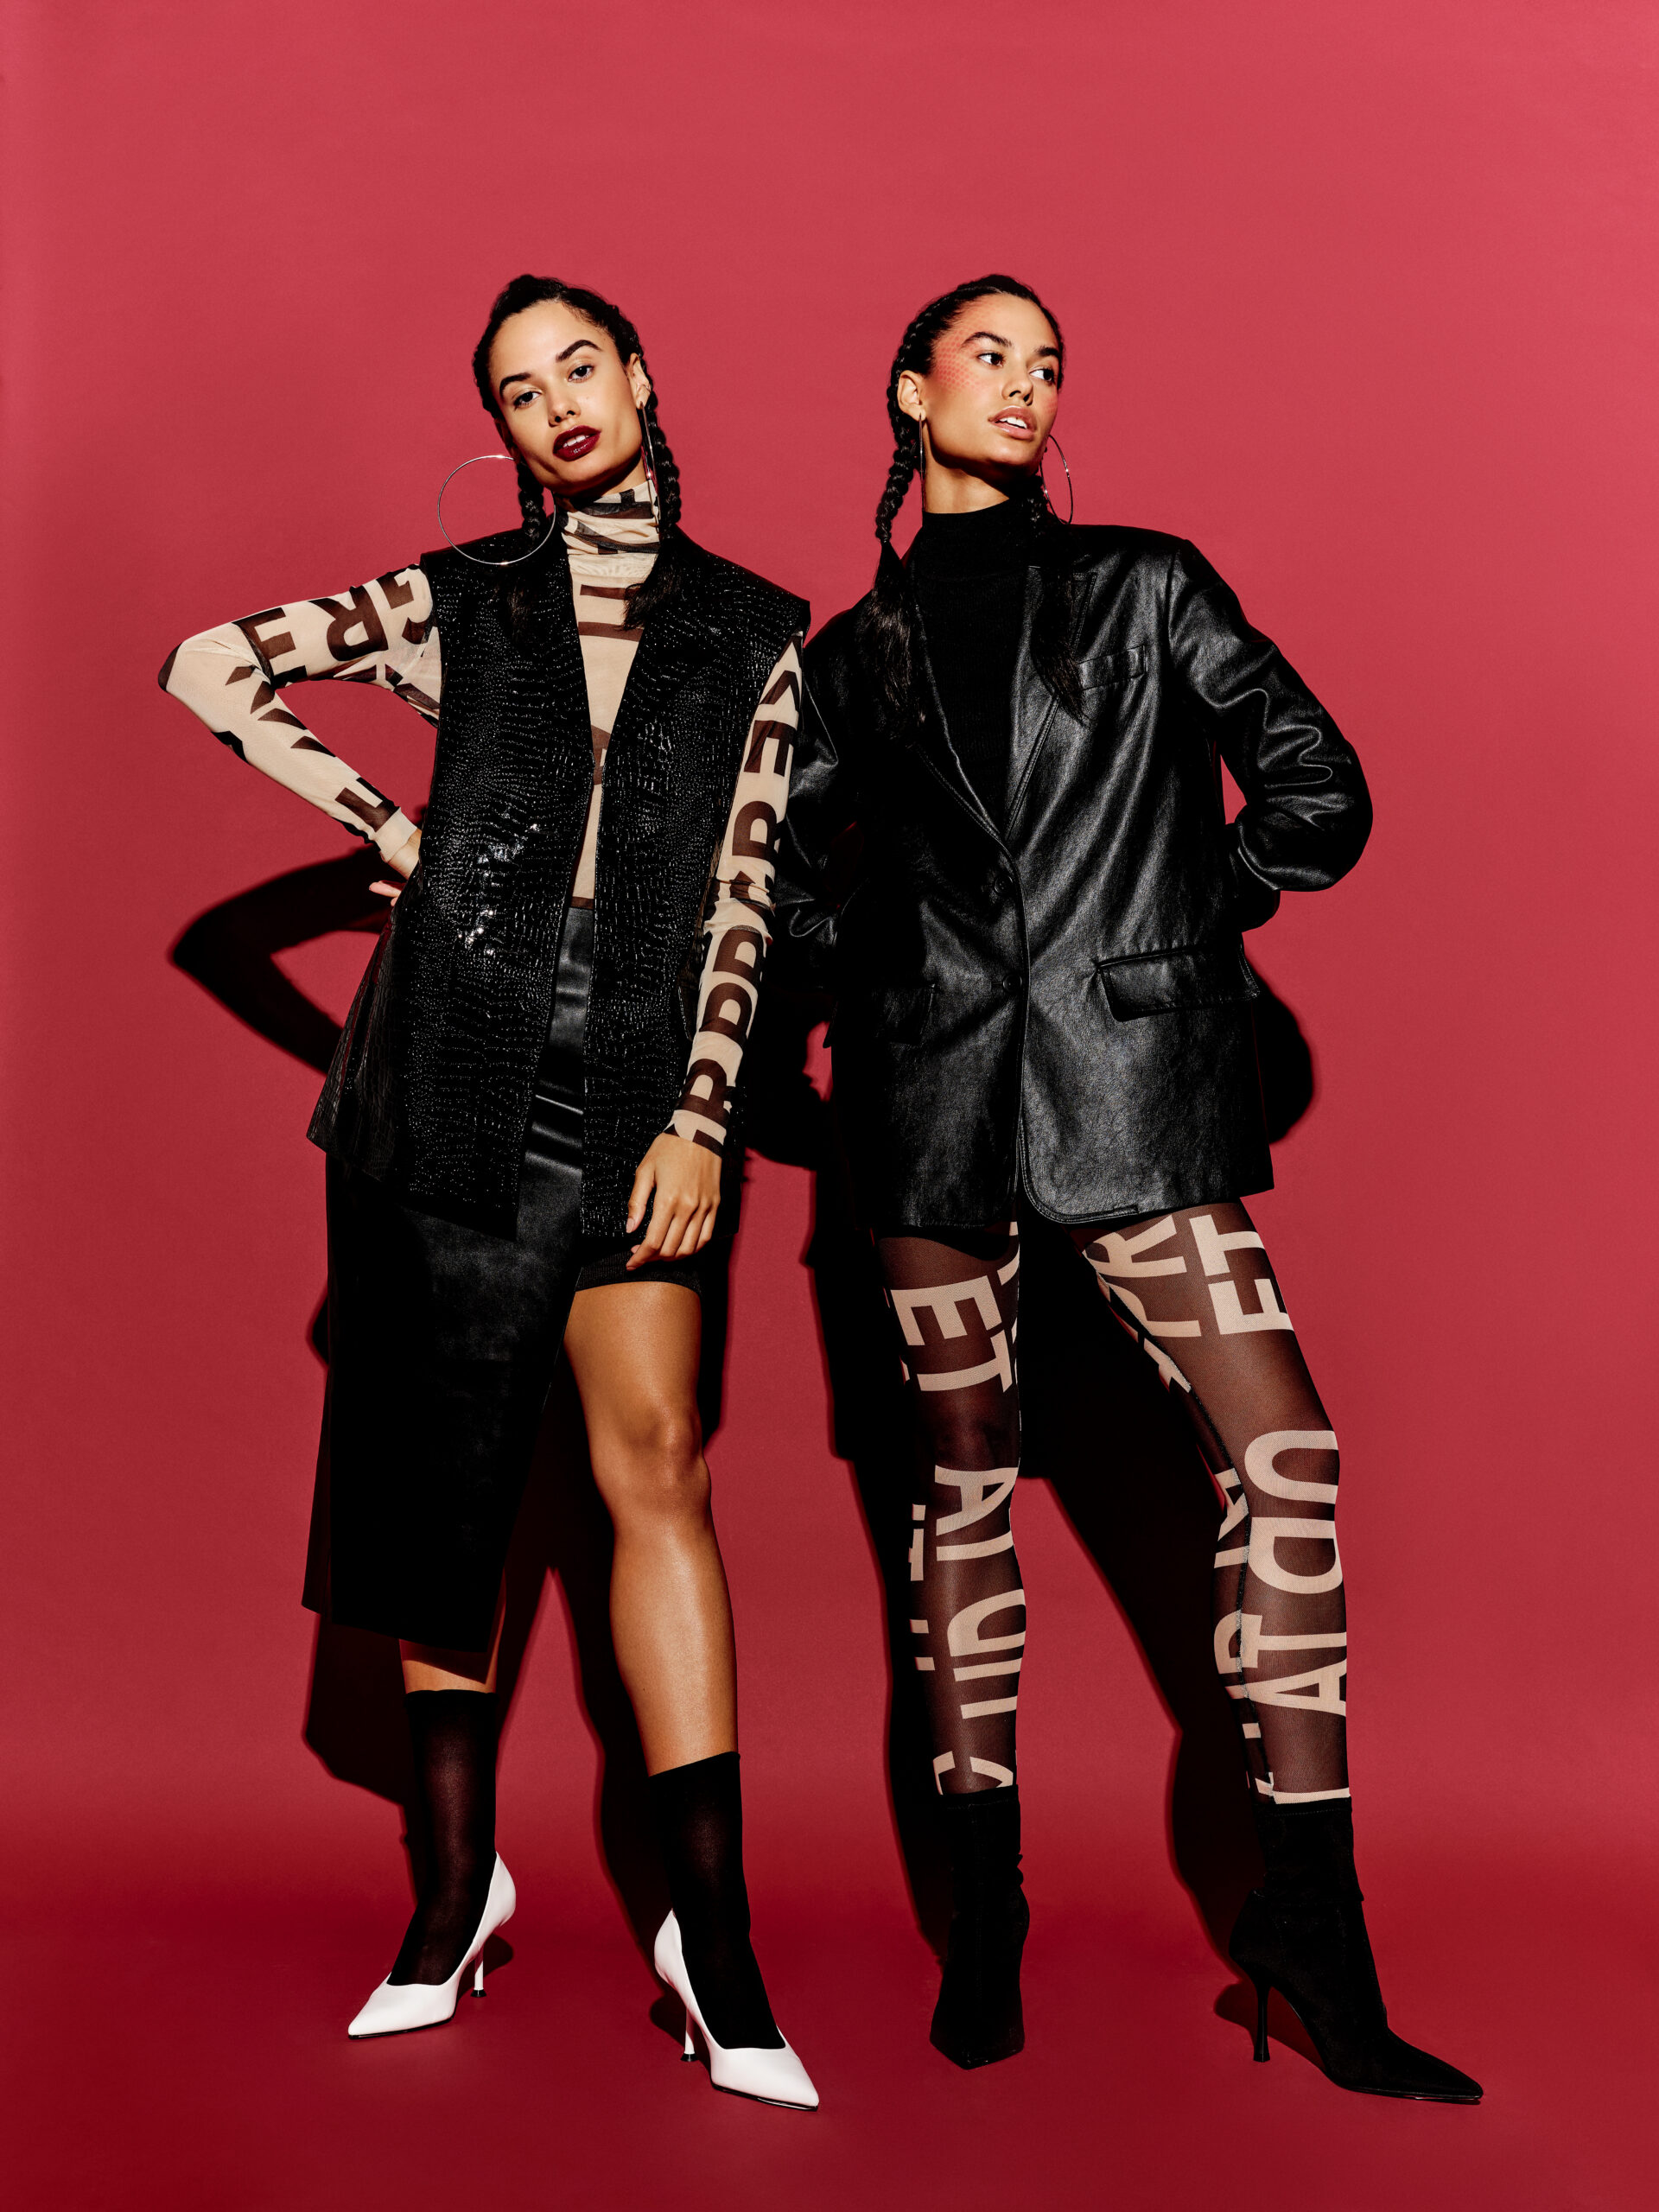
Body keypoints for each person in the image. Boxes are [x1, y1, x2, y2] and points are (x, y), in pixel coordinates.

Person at [772, 275, 1478, 2101]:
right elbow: (774, 876)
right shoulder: (851, 653)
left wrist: (1183, 911)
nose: (1025, 385)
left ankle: (1310, 1927)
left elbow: (1317, 789)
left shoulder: (1150, 584)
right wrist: (870, 973)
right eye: (989, 356)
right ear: (911, 388)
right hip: (927, 1115)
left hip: (1132, 1103)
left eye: (1050, 364)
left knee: (1285, 1454)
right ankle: (986, 1918)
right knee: (958, 1499)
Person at [162, 275, 817, 2108]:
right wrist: (397, 835)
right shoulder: (458, 601)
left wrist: (704, 1116)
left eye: (580, 366)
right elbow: (210, 665)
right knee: (449, 1473)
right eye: (521, 391)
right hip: (448, 1055)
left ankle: (711, 1933)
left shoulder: (756, 627)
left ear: (642, 379)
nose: (560, 404)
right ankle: (454, 1892)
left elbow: (747, 894)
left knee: (654, 1456)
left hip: (643, 1065)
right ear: (508, 433)